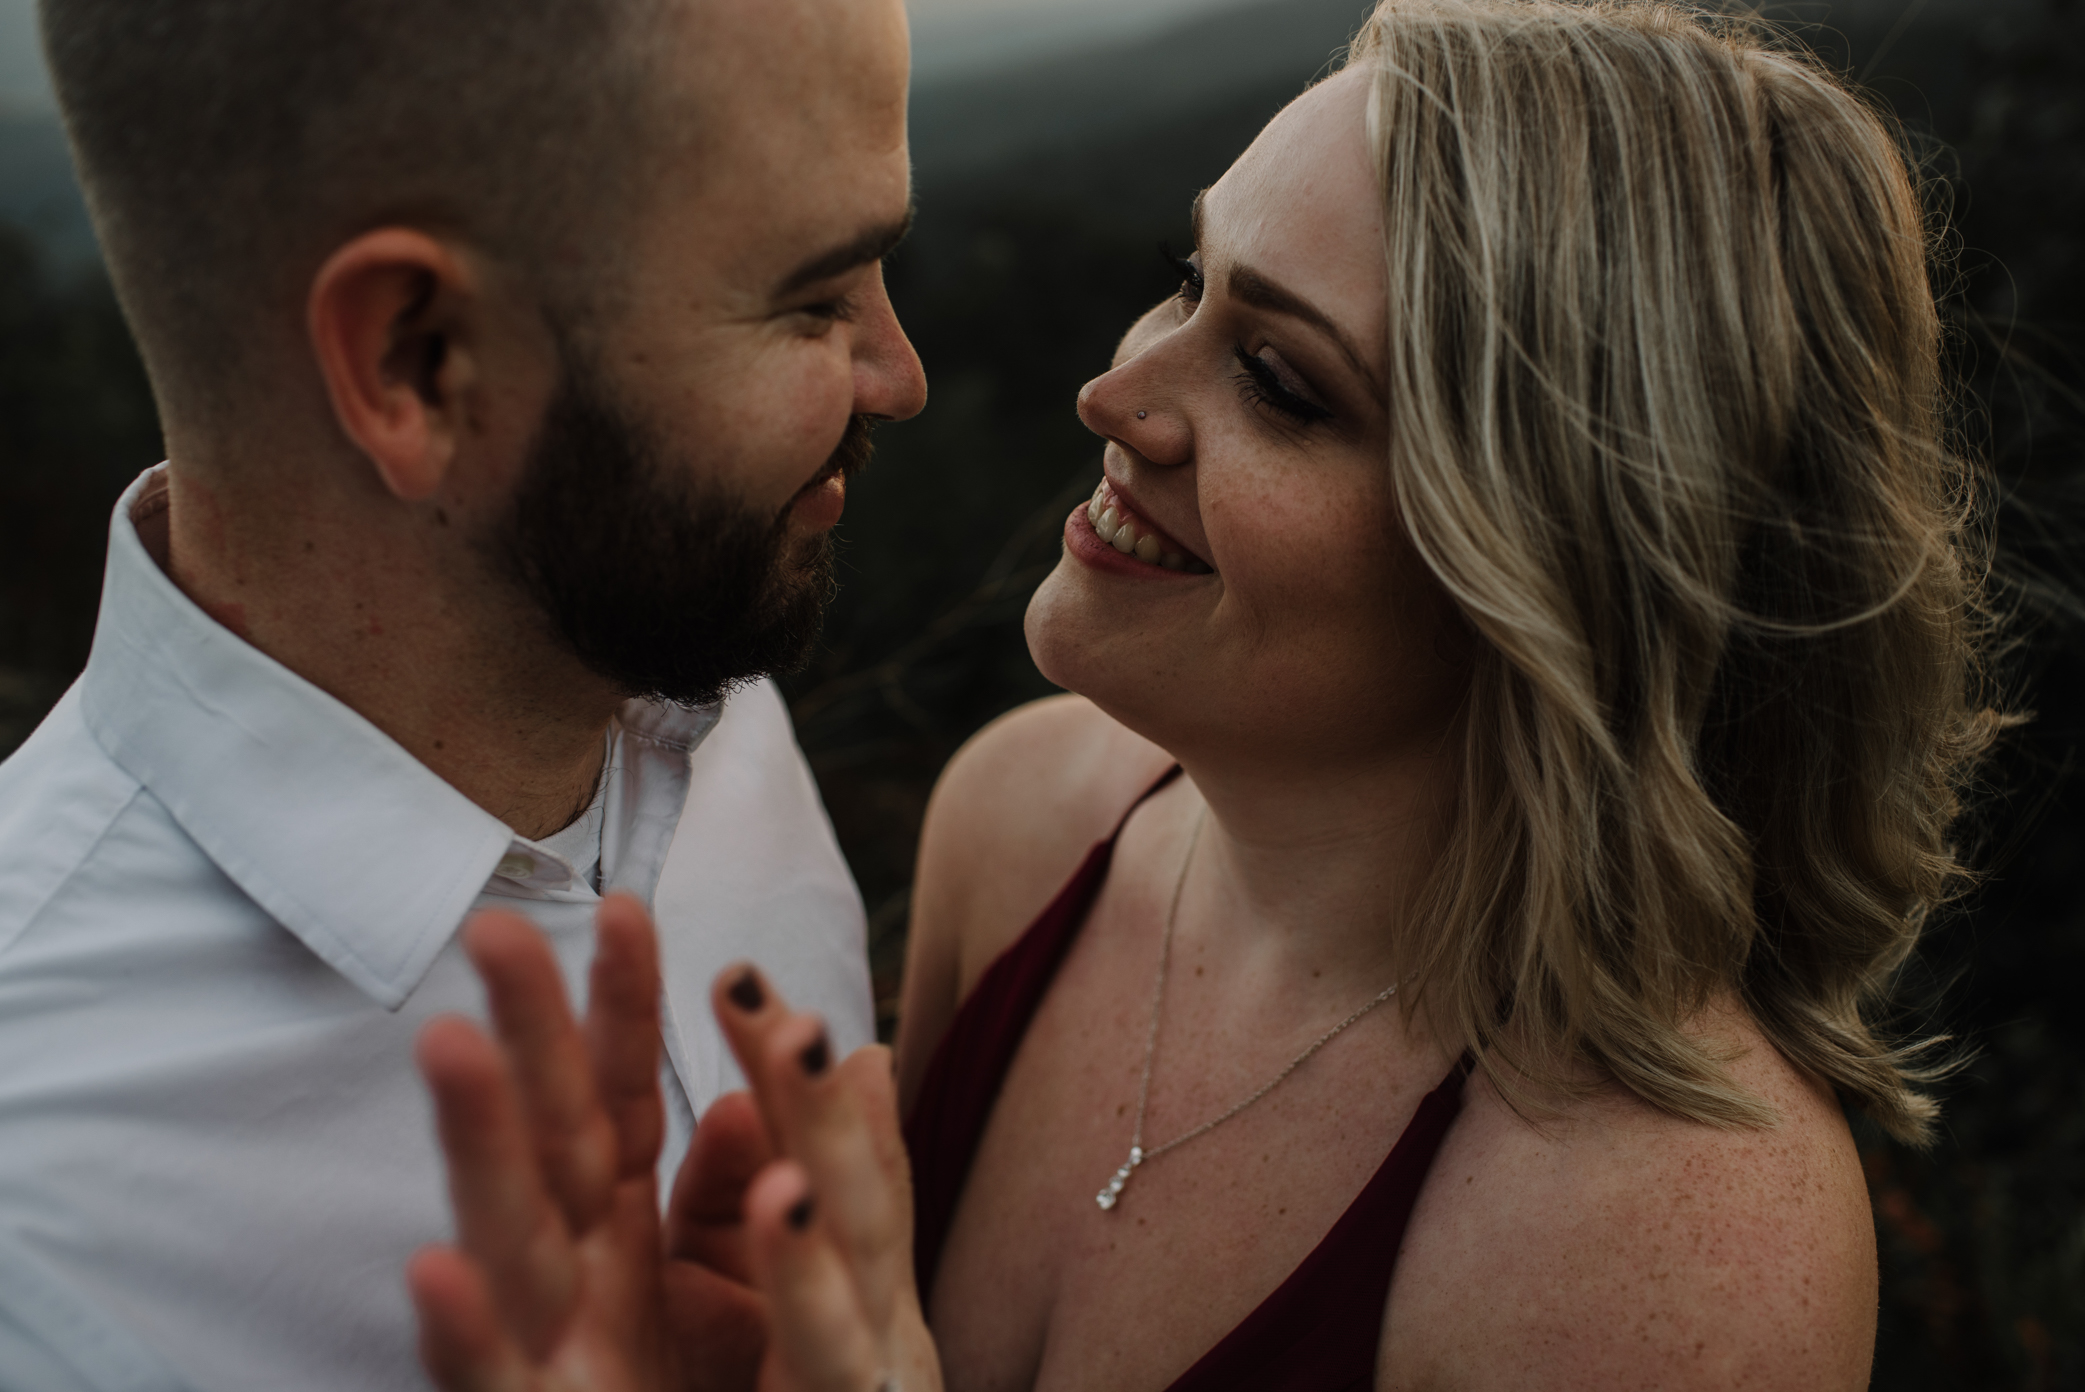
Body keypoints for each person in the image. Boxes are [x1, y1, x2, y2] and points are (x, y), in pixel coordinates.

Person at [416, 0, 2002, 1388]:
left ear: (1563, 560)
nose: (1115, 395)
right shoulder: (1025, 817)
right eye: (1189, 281)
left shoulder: (1676, 1247)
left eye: (1280, 383)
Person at [0, 0, 925, 1386]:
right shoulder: (41, 1214)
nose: (898, 376)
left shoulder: (694, 677)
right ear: (415, 363)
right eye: (812, 297)